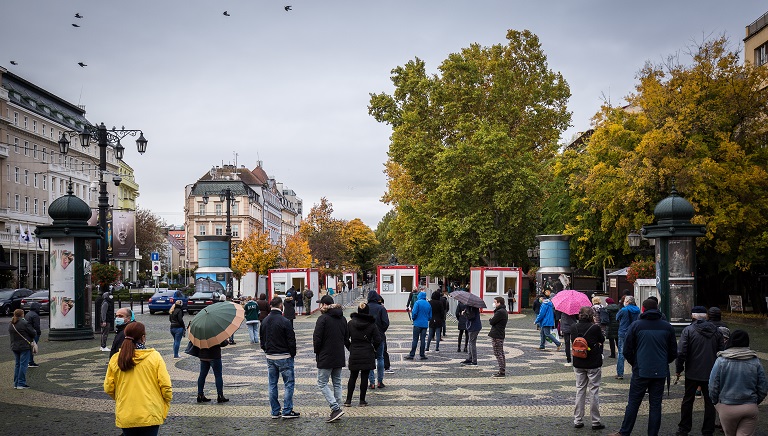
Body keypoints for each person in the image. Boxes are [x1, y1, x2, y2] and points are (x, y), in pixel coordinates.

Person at [607, 298, 677, 436]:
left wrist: (636, 363)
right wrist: (663, 362)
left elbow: (627, 350)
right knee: (655, 405)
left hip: (641, 370)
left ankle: (624, 432)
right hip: (660, 371)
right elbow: (673, 352)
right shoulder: (667, 326)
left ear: (643, 309)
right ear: (657, 308)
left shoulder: (636, 326)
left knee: (633, 403)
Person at [104, 321, 172, 436]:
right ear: (143, 338)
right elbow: (166, 386)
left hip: (126, 413)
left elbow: (108, 387)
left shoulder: (116, 359)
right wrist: (164, 402)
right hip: (150, 413)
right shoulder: (154, 357)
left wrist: (121, 398)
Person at [675, 306, 723, 436]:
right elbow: (721, 353)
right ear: (706, 316)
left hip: (692, 371)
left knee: (688, 400)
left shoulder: (688, 331)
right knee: (710, 402)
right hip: (711, 373)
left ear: (692, 316)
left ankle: (684, 428)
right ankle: (708, 430)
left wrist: (679, 369)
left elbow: (681, 352)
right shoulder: (717, 332)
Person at [708, 330, 767, 436]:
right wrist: (755, 401)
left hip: (727, 406)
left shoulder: (721, 360)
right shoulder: (755, 361)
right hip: (749, 405)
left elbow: (713, 386)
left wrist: (716, 402)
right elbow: (763, 386)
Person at [260, 296, 299, 419]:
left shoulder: (264, 321)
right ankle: (287, 410)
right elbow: (291, 340)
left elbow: (262, 339)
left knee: (272, 384)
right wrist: (292, 353)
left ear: (271, 305)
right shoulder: (285, 321)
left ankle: (275, 411)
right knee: (288, 383)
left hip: (270, 356)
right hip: (284, 356)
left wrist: (266, 350)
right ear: (281, 305)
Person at [313, 295, 349, 423]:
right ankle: (337, 409)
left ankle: (335, 408)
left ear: (325, 305)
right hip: (339, 355)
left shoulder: (322, 319)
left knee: (322, 382)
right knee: (337, 383)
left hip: (325, 356)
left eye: (321, 304)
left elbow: (317, 338)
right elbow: (346, 338)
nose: (320, 306)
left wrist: (317, 352)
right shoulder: (343, 318)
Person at [571, 306, 606, 430]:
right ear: (591, 315)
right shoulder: (595, 327)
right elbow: (602, 339)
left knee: (580, 390)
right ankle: (595, 421)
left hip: (578, 362)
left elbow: (572, 342)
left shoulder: (574, 327)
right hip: (593, 363)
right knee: (594, 391)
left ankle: (578, 419)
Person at [344, 302, 381, 407]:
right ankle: (362, 400)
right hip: (367, 351)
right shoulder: (372, 325)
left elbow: (345, 338)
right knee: (364, 377)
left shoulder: (350, 323)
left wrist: (350, 347)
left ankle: (348, 400)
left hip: (355, 351)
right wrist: (374, 348)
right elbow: (378, 340)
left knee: (353, 376)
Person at [366, 290, 390, 389]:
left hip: (367, 337)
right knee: (380, 358)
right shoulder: (381, 308)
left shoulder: (365, 308)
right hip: (379, 336)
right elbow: (386, 323)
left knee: (369, 359)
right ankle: (380, 381)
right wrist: (381, 331)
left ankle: (371, 382)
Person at [195, 338, 229, 403]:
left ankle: (200, 395)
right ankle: (220, 395)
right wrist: (226, 341)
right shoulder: (214, 331)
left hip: (203, 356)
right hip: (214, 355)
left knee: (202, 375)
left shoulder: (199, 331)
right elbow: (222, 343)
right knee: (218, 375)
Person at [9, 308, 36, 389]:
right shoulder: (24, 323)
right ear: (22, 314)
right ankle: (21, 383)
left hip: (14, 346)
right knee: (23, 365)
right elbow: (33, 333)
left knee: (17, 364)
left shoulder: (11, 323)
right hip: (24, 346)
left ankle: (16, 383)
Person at [615, 296, 640, 380]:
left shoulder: (623, 310)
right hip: (634, 332)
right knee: (634, 352)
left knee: (621, 353)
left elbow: (617, 318)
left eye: (625, 300)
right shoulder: (637, 310)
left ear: (628, 301)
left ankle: (620, 373)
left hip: (623, 332)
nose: (624, 302)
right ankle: (635, 372)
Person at [404, 290, 431, 360]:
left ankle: (412, 354)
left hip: (417, 324)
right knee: (423, 340)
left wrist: (414, 319)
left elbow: (414, 313)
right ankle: (422, 354)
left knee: (415, 339)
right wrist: (426, 319)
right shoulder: (428, 304)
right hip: (424, 324)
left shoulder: (417, 303)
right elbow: (430, 316)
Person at [488, 296, 508, 377]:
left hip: (497, 334)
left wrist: (490, 319)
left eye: (495, 302)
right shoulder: (503, 311)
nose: (494, 303)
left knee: (498, 353)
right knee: (500, 353)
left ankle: (502, 370)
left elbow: (492, 321)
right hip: (500, 333)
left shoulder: (500, 312)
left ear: (499, 303)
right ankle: (502, 369)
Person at [24, 302, 41, 367]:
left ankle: (29, 361)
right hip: (34, 333)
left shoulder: (28, 314)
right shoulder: (35, 315)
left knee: (30, 347)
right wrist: (38, 333)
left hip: (28, 333)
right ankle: (30, 362)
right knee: (33, 348)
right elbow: (36, 326)